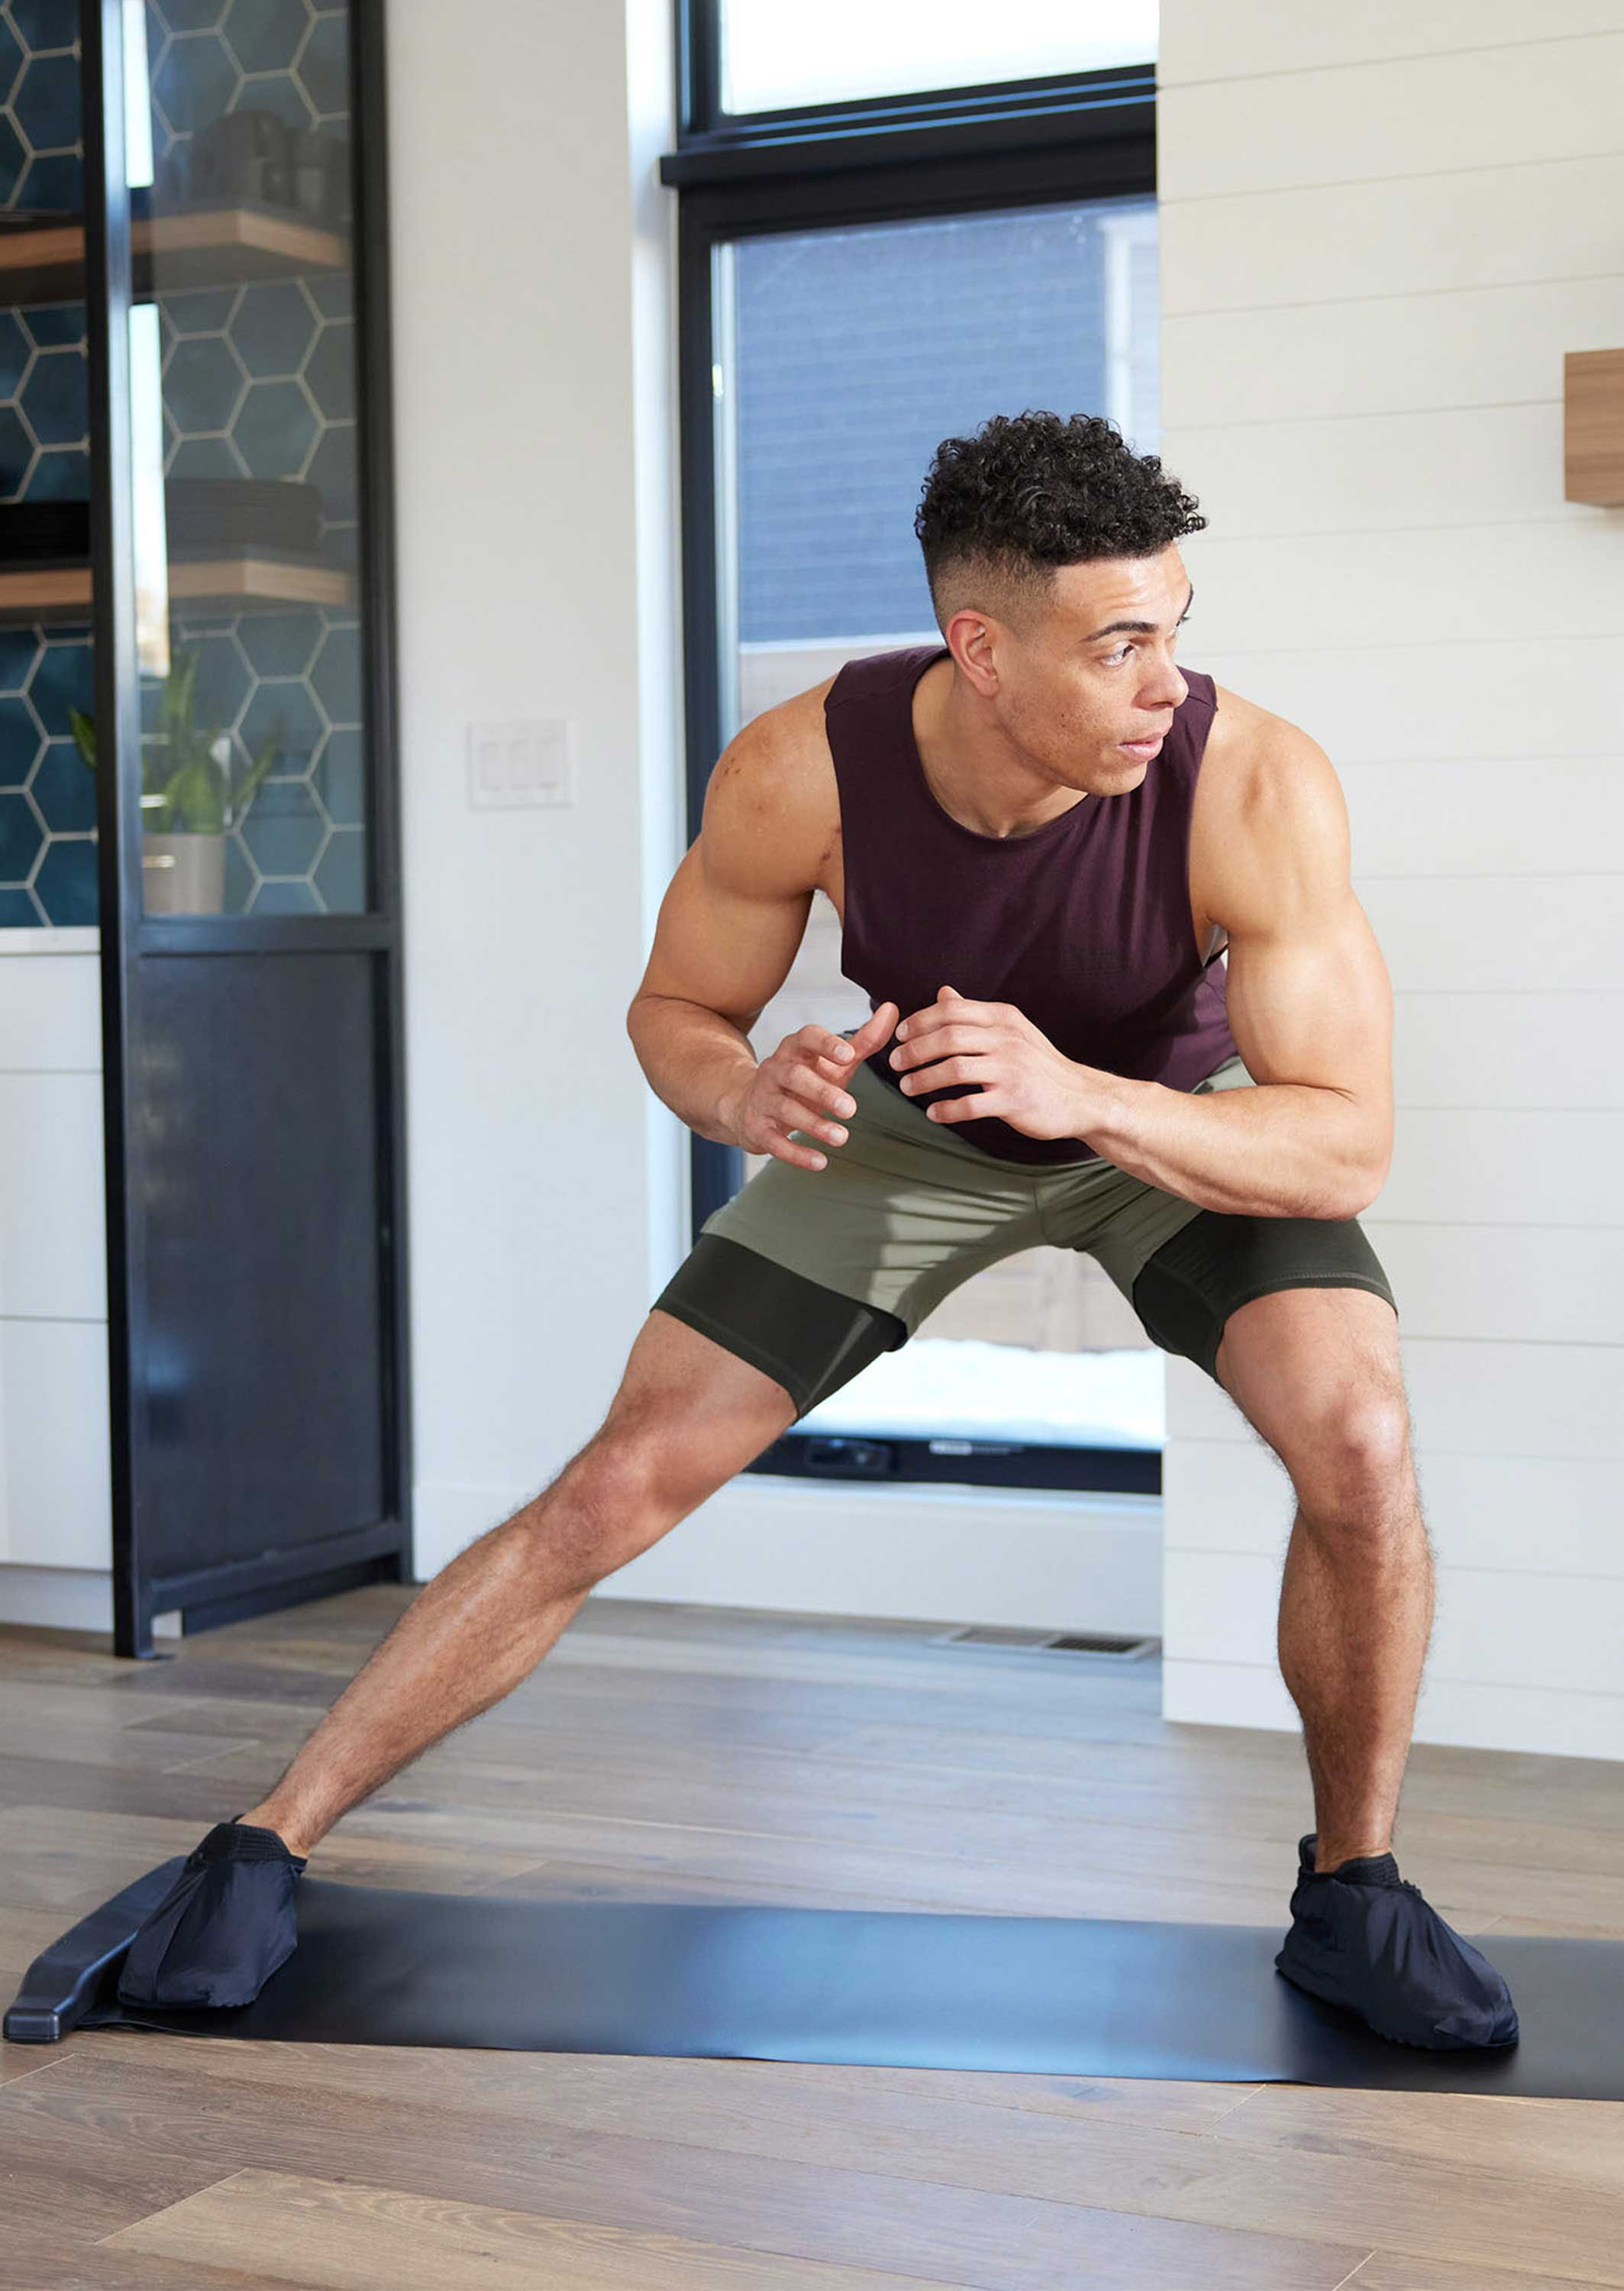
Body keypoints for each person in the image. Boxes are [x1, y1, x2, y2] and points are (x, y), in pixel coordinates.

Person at [119, 410, 1518, 2053]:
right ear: (978, 649)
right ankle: (263, 1845)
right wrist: (739, 1093)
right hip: (913, 1128)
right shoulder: (802, 769)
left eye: (1176, 632)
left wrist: (1086, 1096)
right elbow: (675, 1009)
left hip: (1170, 1121)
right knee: (617, 1485)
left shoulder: (1255, 783)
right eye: (1120, 644)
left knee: (1360, 1441)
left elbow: (1345, 1139)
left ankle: (1355, 1895)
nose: (1167, 684)